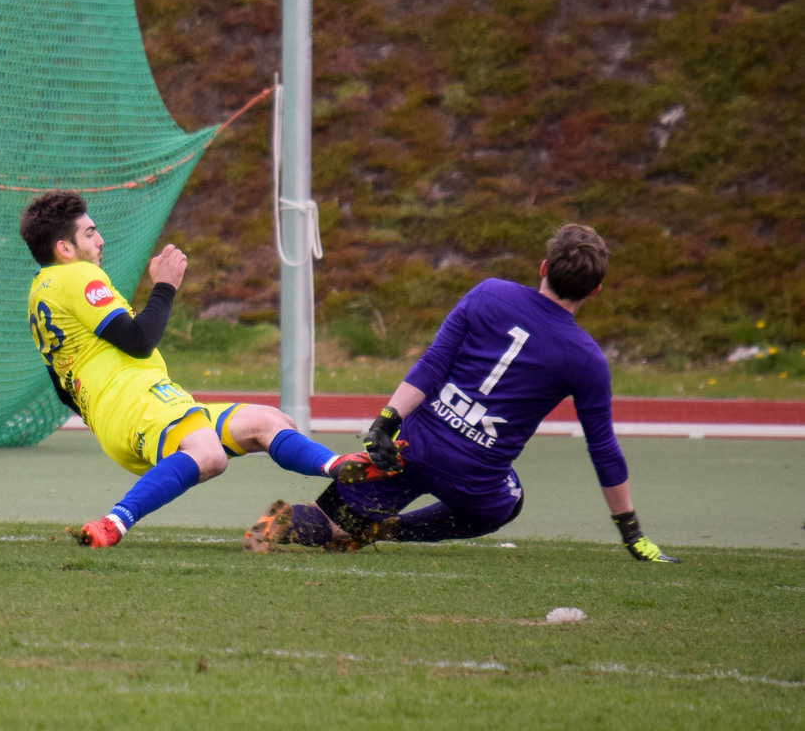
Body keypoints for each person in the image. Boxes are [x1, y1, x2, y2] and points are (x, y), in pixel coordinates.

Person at [244, 223, 680, 563]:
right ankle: (389, 529)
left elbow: (433, 362)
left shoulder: (489, 292)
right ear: (595, 290)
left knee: (332, 522)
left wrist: (385, 423)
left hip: (412, 446)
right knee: (508, 502)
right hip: (476, 477)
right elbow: (603, 449)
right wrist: (631, 530)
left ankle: (287, 524)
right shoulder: (587, 359)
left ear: (543, 267)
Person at [19, 190, 393, 548]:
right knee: (209, 455)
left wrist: (104, 416)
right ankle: (113, 523)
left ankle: (338, 464)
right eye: (89, 233)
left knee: (268, 422)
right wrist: (165, 286)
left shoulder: (41, 292)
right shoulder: (77, 276)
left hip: (131, 409)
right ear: (64, 248)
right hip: (135, 403)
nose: (100, 240)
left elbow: (61, 388)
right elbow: (139, 340)